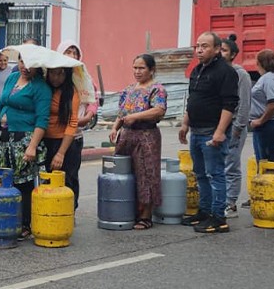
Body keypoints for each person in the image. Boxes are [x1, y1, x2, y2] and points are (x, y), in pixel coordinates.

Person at [178, 31, 238, 233]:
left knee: (216, 174)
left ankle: (219, 217)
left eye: (204, 46)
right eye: (197, 46)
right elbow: (192, 99)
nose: (200, 50)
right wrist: (185, 124)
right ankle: (204, 212)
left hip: (212, 132)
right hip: (196, 130)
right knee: (201, 174)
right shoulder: (197, 70)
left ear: (216, 49)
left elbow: (229, 104)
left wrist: (220, 132)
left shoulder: (225, 72)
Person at [0, 56, 50, 241]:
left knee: (23, 183)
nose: (25, 67)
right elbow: (0, 106)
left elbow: (42, 120)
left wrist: (32, 147)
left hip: (24, 140)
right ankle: (7, 219)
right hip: (4, 139)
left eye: (30, 64)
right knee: (5, 182)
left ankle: (24, 224)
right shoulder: (12, 78)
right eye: (22, 62)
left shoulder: (40, 87)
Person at [109, 54, 167, 228]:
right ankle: (126, 209)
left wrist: (135, 116)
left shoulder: (157, 89)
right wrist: (114, 128)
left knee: (146, 174)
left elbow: (158, 110)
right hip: (127, 135)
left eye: (141, 68)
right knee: (123, 173)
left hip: (146, 136)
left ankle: (146, 216)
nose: (137, 71)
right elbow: (122, 113)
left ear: (151, 70)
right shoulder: (128, 90)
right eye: (135, 67)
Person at [58, 40, 99, 196]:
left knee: (71, 174)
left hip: (76, 133)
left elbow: (93, 100)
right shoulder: (53, 75)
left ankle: (70, 208)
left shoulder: (84, 77)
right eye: (68, 52)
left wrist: (88, 116)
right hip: (55, 132)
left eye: (75, 53)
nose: (72, 55)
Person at [220, 34, 251, 217]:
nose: (220, 53)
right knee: (218, 165)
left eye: (224, 50)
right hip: (219, 125)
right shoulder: (217, 72)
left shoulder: (241, 75)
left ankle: (230, 203)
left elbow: (245, 103)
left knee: (231, 165)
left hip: (234, 126)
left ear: (233, 54)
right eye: (219, 49)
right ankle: (219, 200)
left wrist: (238, 127)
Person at [43, 66, 80, 204]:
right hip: (45, 141)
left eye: (60, 74)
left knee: (68, 180)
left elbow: (72, 123)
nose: (56, 78)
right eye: (52, 73)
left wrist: (60, 153)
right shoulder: (44, 88)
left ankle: (68, 213)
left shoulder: (71, 92)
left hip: (65, 143)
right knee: (46, 181)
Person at [248, 49, 274, 163]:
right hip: (264, 125)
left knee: (265, 162)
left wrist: (260, 121)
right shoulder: (268, 77)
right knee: (263, 160)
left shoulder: (269, 78)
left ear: (260, 63)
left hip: (268, 125)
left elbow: (273, 104)